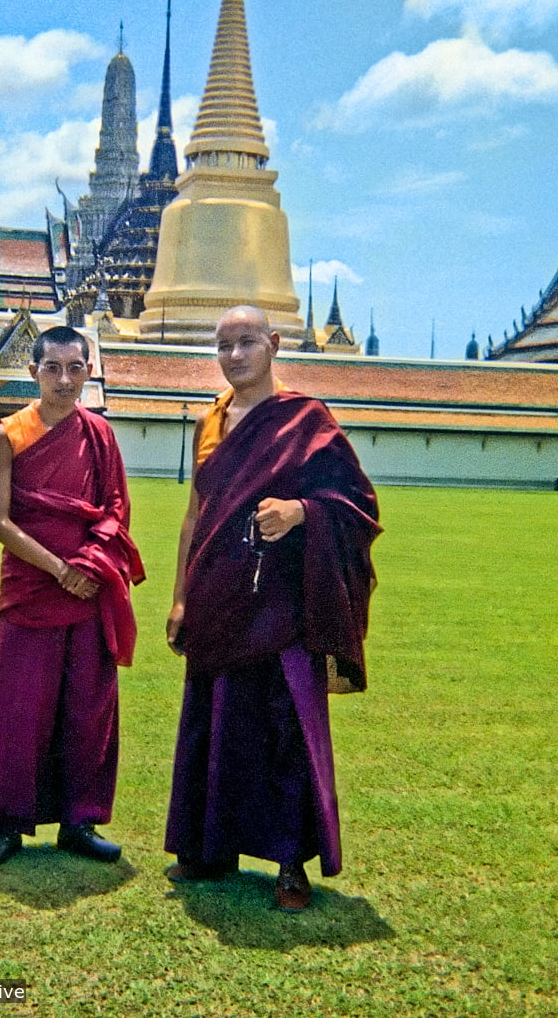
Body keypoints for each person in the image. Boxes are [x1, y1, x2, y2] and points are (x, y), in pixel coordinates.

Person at [164, 305, 380, 910]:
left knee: (285, 724)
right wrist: (181, 595)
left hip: (281, 601)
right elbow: (194, 514)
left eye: (248, 342)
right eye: (224, 344)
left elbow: (357, 503)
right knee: (214, 720)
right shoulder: (210, 419)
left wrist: (302, 512)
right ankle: (207, 849)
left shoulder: (305, 418)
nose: (235, 356)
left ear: (275, 343)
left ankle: (291, 864)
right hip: (216, 592)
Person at [0, 325, 145, 866]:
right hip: (31, 589)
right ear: (33, 372)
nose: (64, 380)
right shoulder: (8, 435)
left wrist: (87, 566)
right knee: (17, 709)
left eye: (75, 368)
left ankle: (78, 820)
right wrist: (59, 569)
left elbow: (115, 512)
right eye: (52, 368)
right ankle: (5, 825)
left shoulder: (101, 435)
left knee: (86, 708)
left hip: (88, 589)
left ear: (90, 370)